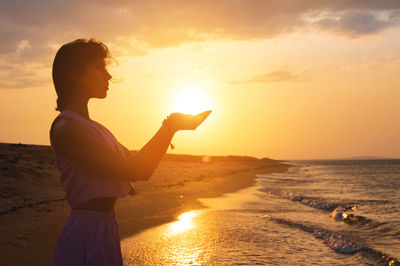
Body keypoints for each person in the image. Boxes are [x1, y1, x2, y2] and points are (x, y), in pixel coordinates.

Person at [50, 38, 211, 266]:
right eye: (100, 67)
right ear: (76, 74)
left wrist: (171, 130)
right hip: (85, 234)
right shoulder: (67, 127)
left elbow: (141, 170)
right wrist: (170, 127)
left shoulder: (93, 127)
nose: (108, 76)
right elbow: (132, 169)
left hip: (105, 228)